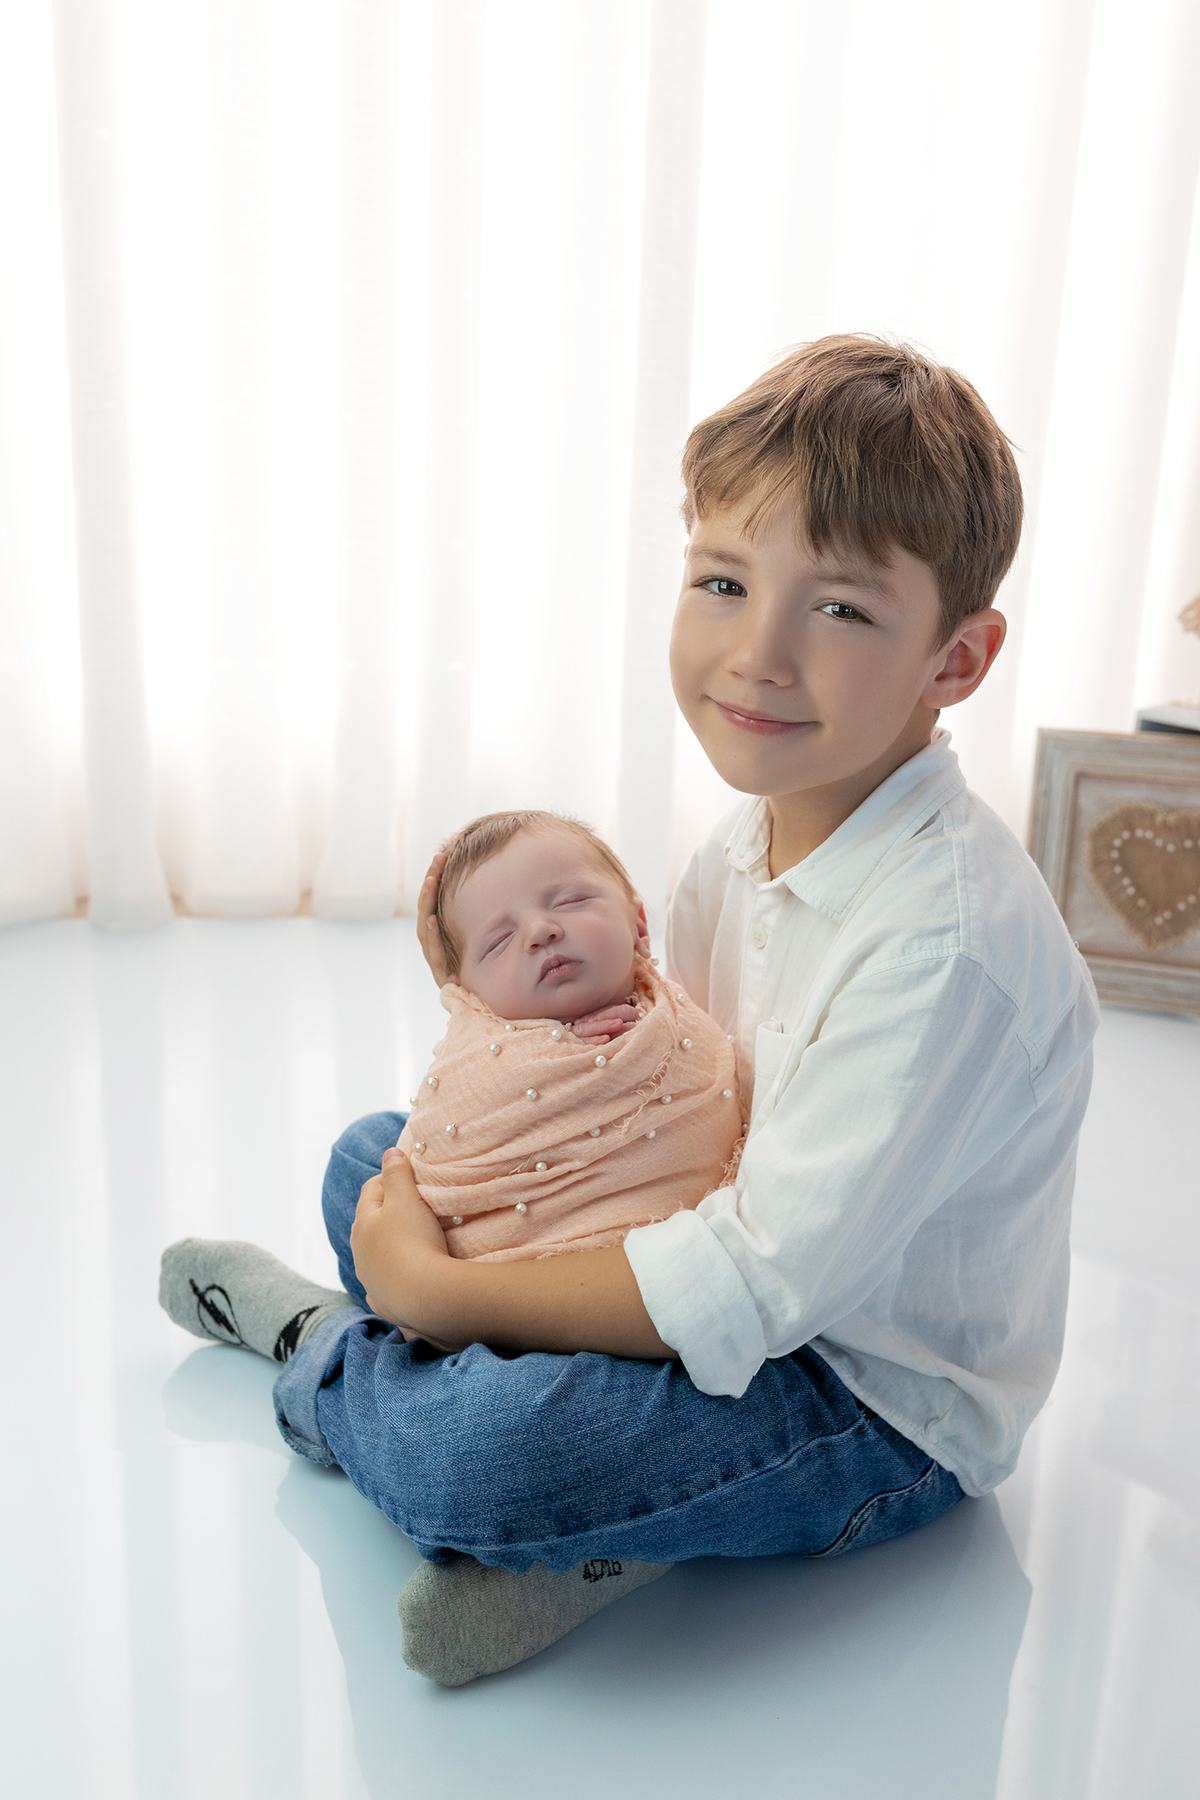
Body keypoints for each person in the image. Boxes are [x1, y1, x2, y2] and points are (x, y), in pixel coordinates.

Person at [159, 334, 1098, 1687]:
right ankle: (601, 1541)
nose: (757, 654)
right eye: (723, 582)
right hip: (695, 1238)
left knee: (482, 1452)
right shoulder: (746, 842)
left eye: (840, 610)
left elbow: (761, 1287)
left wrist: (439, 1288)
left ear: (956, 659)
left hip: (859, 1398)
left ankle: (326, 1350)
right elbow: (666, 1090)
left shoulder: (947, 946)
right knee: (374, 1161)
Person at [391, 810, 744, 1274]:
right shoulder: (480, 1037)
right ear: (469, 996)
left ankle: (366, 1313)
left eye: (571, 901)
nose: (541, 932)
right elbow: (458, 1106)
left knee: (365, 1175)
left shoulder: (676, 1023)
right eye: (499, 941)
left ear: (639, 926)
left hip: (594, 1283)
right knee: (364, 1152)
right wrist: (548, 1049)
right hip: (494, 1223)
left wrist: (592, 1060)